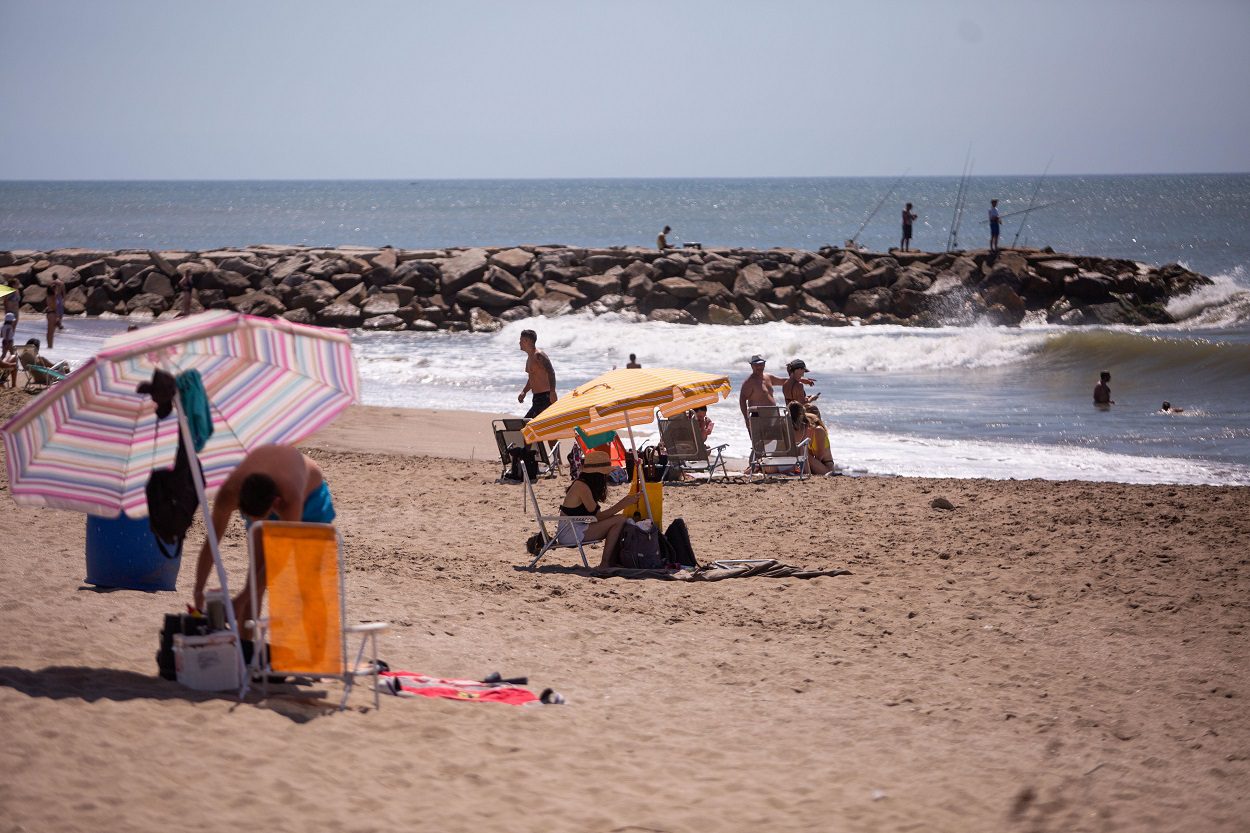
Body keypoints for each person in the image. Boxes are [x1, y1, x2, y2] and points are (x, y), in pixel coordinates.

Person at [191, 445, 335, 622]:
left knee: (307, 582)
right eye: (249, 517)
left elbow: (278, 560)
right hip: (263, 493)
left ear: (275, 504)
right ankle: (247, 646)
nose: (253, 521)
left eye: (257, 518)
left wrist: (241, 599)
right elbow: (211, 543)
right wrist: (198, 589)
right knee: (254, 577)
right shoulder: (229, 493)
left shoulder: (290, 499)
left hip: (310, 496)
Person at [556, 449, 637, 568]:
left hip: (576, 528)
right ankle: (605, 563)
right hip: (570, 532)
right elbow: (598, 517)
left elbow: (597, 516)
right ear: (597, 474)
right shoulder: (581, 487)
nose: (606, 476)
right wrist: (622, 504)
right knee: (619, 519)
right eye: (605, 473)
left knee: (620, 519)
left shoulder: (584, 485)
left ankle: (611, 561)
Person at [740, 354, 810, 427]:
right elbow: (742, 400)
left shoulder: (768, 377)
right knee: (760, 438)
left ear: (764, 364)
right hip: (757, 416)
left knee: (775, 437)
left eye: (761, 364)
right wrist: (746, 418)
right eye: (756, 365)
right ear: (752, 366)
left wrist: (802, 380)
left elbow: (783, 381)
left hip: (773, 414)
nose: (759, 367)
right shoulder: (749, 382)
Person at [788, 401, 836, 476]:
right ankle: (798, 471)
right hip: (814, 464)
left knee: (803, 452)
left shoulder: (818, 430)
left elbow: (820, 456)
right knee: (801, 451)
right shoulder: (808, 431)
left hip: (826, 468)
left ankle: (800, 471)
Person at [517, 328, 558, 418]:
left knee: (528, 424)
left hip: (545, 397)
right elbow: (532, 378)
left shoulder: (539, 355)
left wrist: (552, 392)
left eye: (521, 340)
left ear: (527, 341)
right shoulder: (529, 357)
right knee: (532, 425)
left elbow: (551, 372)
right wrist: (524, 392)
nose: (519, 343)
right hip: (536, 397)